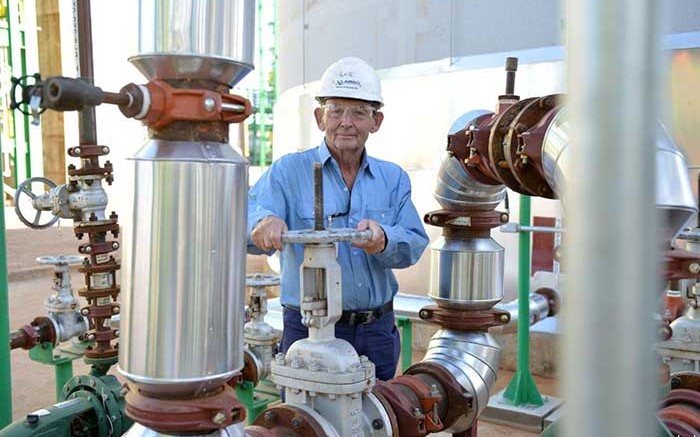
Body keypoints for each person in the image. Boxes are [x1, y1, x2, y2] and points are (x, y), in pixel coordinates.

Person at [247, 57, 429, 381]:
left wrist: (384, 239)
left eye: (359, 112)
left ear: (377, 121)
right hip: (307, 332)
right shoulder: (288, 172)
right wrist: (263, 222)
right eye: (336, 110)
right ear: (320, 118)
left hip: (377, 332)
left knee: (381, 422)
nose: (346, 122)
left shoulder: (393, 178)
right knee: (307, 425)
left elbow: (414, 243)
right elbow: (246, 214)